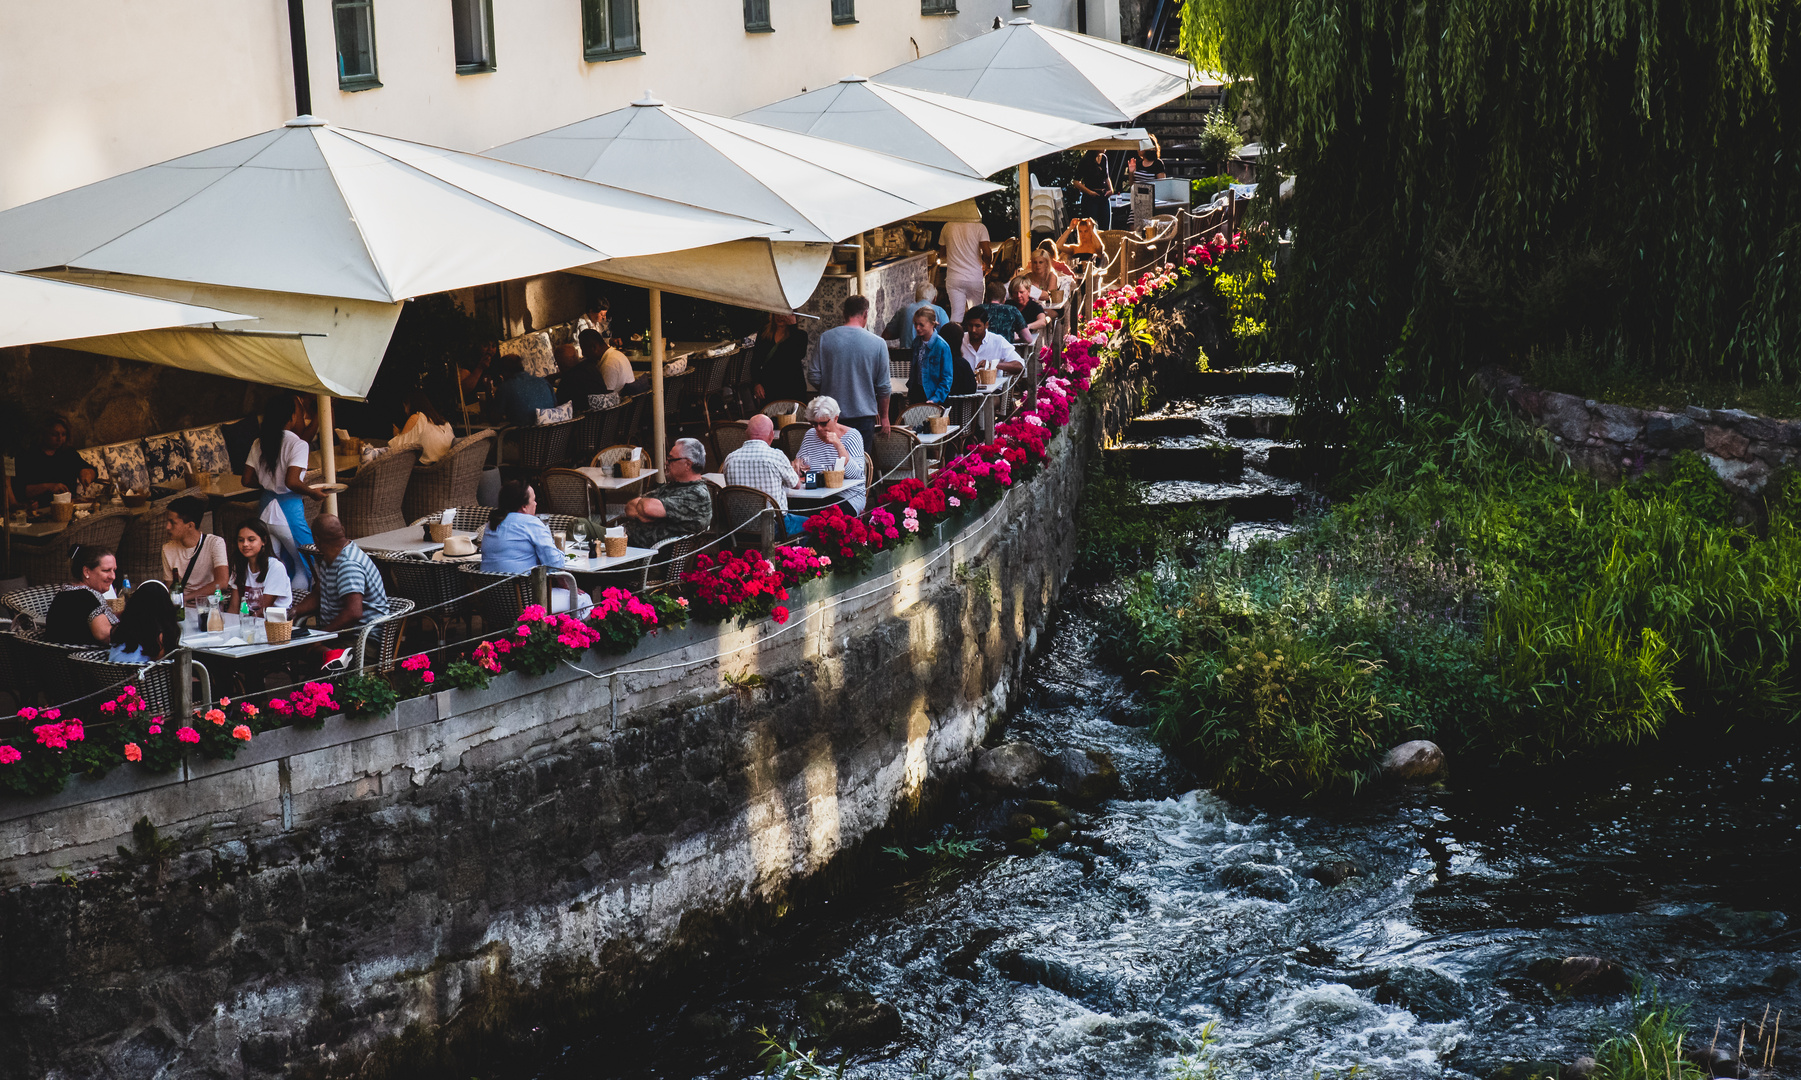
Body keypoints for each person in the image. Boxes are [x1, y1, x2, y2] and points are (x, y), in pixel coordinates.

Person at [243, 390, 326, 593]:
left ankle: (274, 609)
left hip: (264, 510)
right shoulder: (298, 444)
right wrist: (312, 493)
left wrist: (267, 483)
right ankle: (297, 611)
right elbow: (291, 481)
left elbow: (246, 480)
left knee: (274, 566)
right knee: (307, 565)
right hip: (288, 511)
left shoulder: (259, 442)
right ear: (292, 417)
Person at [481, 480, 591, 614]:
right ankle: (575, 635)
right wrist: (562, 575)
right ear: (524, 507)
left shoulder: (491, 524)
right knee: (584, 600)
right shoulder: (531, 523)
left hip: (493, 603)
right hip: (526, 604)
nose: (536, 504)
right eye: (533, 500)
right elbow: (555, 563)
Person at [808, 295, 891, 445]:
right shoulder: (878, 344)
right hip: (864, 416)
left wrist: (830, 387)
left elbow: (813, 375)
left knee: (832, 464)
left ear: (844, 313)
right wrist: (884, 416)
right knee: (861, 462)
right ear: (865, 314)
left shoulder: (825, 339)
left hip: (830, 415)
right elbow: (884, 386)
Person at [292, 514, 389, 637]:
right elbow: (318, 594)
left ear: (316, 540)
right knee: (299, 646)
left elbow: (353, 613)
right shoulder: (329, 558)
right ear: (342, 530)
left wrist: (321, 635)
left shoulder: (348, 565)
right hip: (340, 633)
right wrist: (294, 611)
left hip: (361, 637)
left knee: (302, 650)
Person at [619, 439, 714, 548]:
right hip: (621, 543)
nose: (666, 463)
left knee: (594, 531)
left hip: (638, 554)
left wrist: (644, 508)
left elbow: (646, 507)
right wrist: (642, 514)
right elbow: (630, 507)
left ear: (687, 464)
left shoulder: (696, 495)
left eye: (671, 459)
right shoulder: (674, 486)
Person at [724, 414, 805, 535]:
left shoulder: (730, 459)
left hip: (739, 526)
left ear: (746, 433)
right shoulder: (776, 456)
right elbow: (796, 485)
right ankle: (793, 553)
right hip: (775, 527)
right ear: (772, 435)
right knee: (812, 525)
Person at [793, 396, 868, 514]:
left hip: (847, 495)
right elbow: (801, 466)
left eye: (823, 423)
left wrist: (839, 445)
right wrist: (796, 466)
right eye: (814, 423)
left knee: (826, 517)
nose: (819, 428)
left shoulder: (852, 436)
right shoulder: (810, 435)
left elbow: (856, 475)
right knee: (788, 510)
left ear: (836, 418)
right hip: (815, 494)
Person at [162, 495, 230, 607]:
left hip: (210, 608)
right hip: (182, 608)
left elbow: (222, 583)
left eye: (172, 522)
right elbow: (171, 587)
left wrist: (186, 597)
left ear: (190, 525)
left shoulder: (215, 543)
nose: (167, 527)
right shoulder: (167, 548)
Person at [46, 545, 118, 646]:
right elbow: (105, 635)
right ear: (86, 571)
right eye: (106, 570)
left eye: (114, 570)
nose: (113, 576)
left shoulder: (70, 592)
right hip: (85, 658)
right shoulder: (84, 597)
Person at [13, 416, 87, 506]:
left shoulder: (68, 453)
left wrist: (86, 473)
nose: (60, 439)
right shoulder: (28, 456)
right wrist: (48, 487)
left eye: (63, 434)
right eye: (54, 435)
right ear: (43, 435)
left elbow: (88, 469)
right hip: (40, 508)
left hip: (67, 508)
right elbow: (19, 490)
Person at [227, 519, 293, 616]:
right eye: (241, 540)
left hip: (273, 624)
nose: (245, 544)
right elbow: (233, 609)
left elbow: (261, 611)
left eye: (251, 539)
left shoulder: (276, 567)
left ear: (264, 541)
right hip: (247, 622)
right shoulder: (239, 565)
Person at [108, 580, 182, 664]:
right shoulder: (157, 637)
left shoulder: (120, 630)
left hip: (112, 674)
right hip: (139, 675)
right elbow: (161, 664)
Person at [938, 219, 992, 322]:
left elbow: (942, 253)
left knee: (956, 314)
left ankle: (954, 337)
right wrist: (987, 265)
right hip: (975, 278)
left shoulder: (947, 226)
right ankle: (975, 337)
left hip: (954, 278)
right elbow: (987, 253)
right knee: (977, 315)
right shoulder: (980, 227)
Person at [387, 391, 454, 465]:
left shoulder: (417, 418)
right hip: (447, 465)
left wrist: (397, 434)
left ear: (409, 405)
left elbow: (397, 449)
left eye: (405, 407)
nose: (405, 411)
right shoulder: (443, 422)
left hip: (430, 469)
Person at [495, 352, 556, 426]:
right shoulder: (544, 382)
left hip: (522, 436)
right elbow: (555, 406)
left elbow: (495, 419)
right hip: (552, 435)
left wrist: (488, 389)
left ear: (504, 373)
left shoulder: (505, 387)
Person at [910, 307, 955, 405]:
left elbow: (947, 377)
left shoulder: (941, 346)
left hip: (933, 393)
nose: (917, 328)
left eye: (921, 325)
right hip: (917, 392)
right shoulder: (916, 342)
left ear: (932, 324)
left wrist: (936, 398)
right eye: (915, 324)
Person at [884, 282, 949, 349]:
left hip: (905, 355)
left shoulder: (904, 310)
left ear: (916, 298)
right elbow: (948, 337)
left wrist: (904, 330)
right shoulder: (940, 312)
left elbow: (886, 335)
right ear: (935, 299)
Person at [585, 328, 648, 396]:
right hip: (630, 401)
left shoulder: (609, 364)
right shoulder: (616, 354)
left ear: (594, 347)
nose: (583, 354)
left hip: (622, 404)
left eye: (584, 350)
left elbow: (606, 397)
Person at [962, 309, 1024, 376]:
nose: (973, 330)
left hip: (994, 386)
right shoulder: (960, 340)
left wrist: (992, 364)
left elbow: (1019, 366)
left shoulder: (998, 341)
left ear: (986, 325)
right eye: (970, 326)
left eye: (977, 326)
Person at [1025, 242, 1073, 307]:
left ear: (1046, 264)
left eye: (1040, 262)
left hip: (1051, 307)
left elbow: (1048, 298)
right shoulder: (1028, 276)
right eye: (1035, 262)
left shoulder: (1052, 276)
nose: (1037, 265)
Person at [1072, 149, 1113, 225]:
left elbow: (1106, 177)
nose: (1105, 148)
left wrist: (1111, 189)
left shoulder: (1104, 158)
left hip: (1103, 195)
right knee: (1089, 225)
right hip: (1091, 197)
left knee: (1105, 226)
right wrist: (1089, 192)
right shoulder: (1086, 160)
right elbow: (1076, 182)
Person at [1009, 278, 1050, 342]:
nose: (1018, 295)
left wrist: (1026, 327)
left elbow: (1042, 321)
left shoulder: (1034, 306)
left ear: (1028, 291)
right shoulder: (1008, 305)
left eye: (1021, 292)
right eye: (1015, 293)